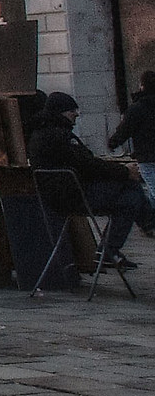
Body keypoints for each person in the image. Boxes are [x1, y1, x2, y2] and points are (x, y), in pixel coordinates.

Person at [30, 90, 155, 267]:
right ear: (61, 113)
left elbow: (86, 164)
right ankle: (119, 243)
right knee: (131, 193)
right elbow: (88, 166)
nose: (76, 114)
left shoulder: (41, 135)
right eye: (72, 110)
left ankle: (131, 235)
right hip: (75, 196)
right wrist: (124, 171)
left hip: (59, 196)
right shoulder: (61, 136)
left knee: (130, 197)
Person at [107, 71, 155, 162]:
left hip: (147, 157)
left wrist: (113, 143)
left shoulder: (137, 108)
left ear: (142, 86)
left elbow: (125, 129)